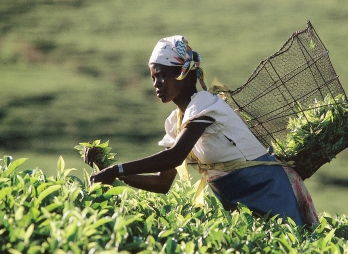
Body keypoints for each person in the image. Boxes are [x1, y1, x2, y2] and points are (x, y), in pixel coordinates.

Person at [86, 35, 318, 226]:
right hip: (239, 201)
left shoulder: (205, 104)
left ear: (185, 74)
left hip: (268, 191)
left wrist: (117, 169)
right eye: (154, 77)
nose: (157, 84)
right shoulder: (175, 123)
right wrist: (110, 172)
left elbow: (174, 156)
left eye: (164, 75)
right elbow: (162, 183)